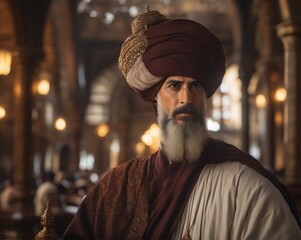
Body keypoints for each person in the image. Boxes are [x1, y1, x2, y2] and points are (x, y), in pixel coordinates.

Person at [63, 7, 301, 239]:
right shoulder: (116, 187)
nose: (186, 98)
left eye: (196, 86)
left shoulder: (247, 188)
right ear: (155, 96)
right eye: (174, 85)